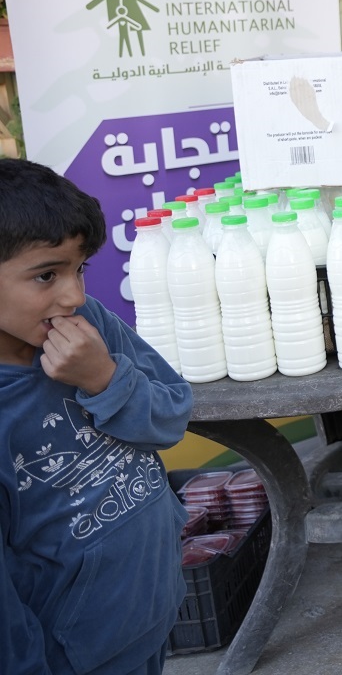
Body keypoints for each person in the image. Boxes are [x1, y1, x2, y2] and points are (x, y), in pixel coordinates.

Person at [0, 158, 193, 675]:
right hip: (78, 656)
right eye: (46, 275)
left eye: (78, 268)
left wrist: (105, 380)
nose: (75, 295)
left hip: (151, 611)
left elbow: (172, 415)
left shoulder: (90, 324)